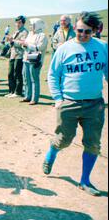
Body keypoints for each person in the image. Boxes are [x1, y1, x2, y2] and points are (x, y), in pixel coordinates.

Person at [44, 11, 108, 197]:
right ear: (75, 28)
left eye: (88, 31)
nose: (83, 35)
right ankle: (52, 153)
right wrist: (57, 99)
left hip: (94, 104)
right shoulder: (65, 49)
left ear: (95, 30)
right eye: (80, 30)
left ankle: (85, 180)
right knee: (64, 139)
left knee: (93, 143)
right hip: (69, 103)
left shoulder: (103, 47)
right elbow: (53, 74)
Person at [20, 18, 48, 105]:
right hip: (26, 58)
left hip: (35, 60)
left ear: (37, 25)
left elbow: (40, 47)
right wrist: (24, 45)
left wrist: (27, 45)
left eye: (32, 25)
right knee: (26, 78)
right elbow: (26, 46)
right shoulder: (30, 34)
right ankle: (27, 96)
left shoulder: (42, 35)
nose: (30, 27)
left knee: (34, 79)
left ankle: (34, 99)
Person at [5, 15, 29, 98]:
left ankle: (18, 92)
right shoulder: (16, 31)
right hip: (12, 55)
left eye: (19, 22)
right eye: (16, 22)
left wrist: (13, 40)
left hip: (20, 55)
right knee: (10, 74)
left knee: (17, 74)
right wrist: (10, 41)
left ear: (23, 23)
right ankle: (11, 91)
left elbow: (23, 43)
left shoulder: (25, 32)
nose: (17, 24)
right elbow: (13, 43)